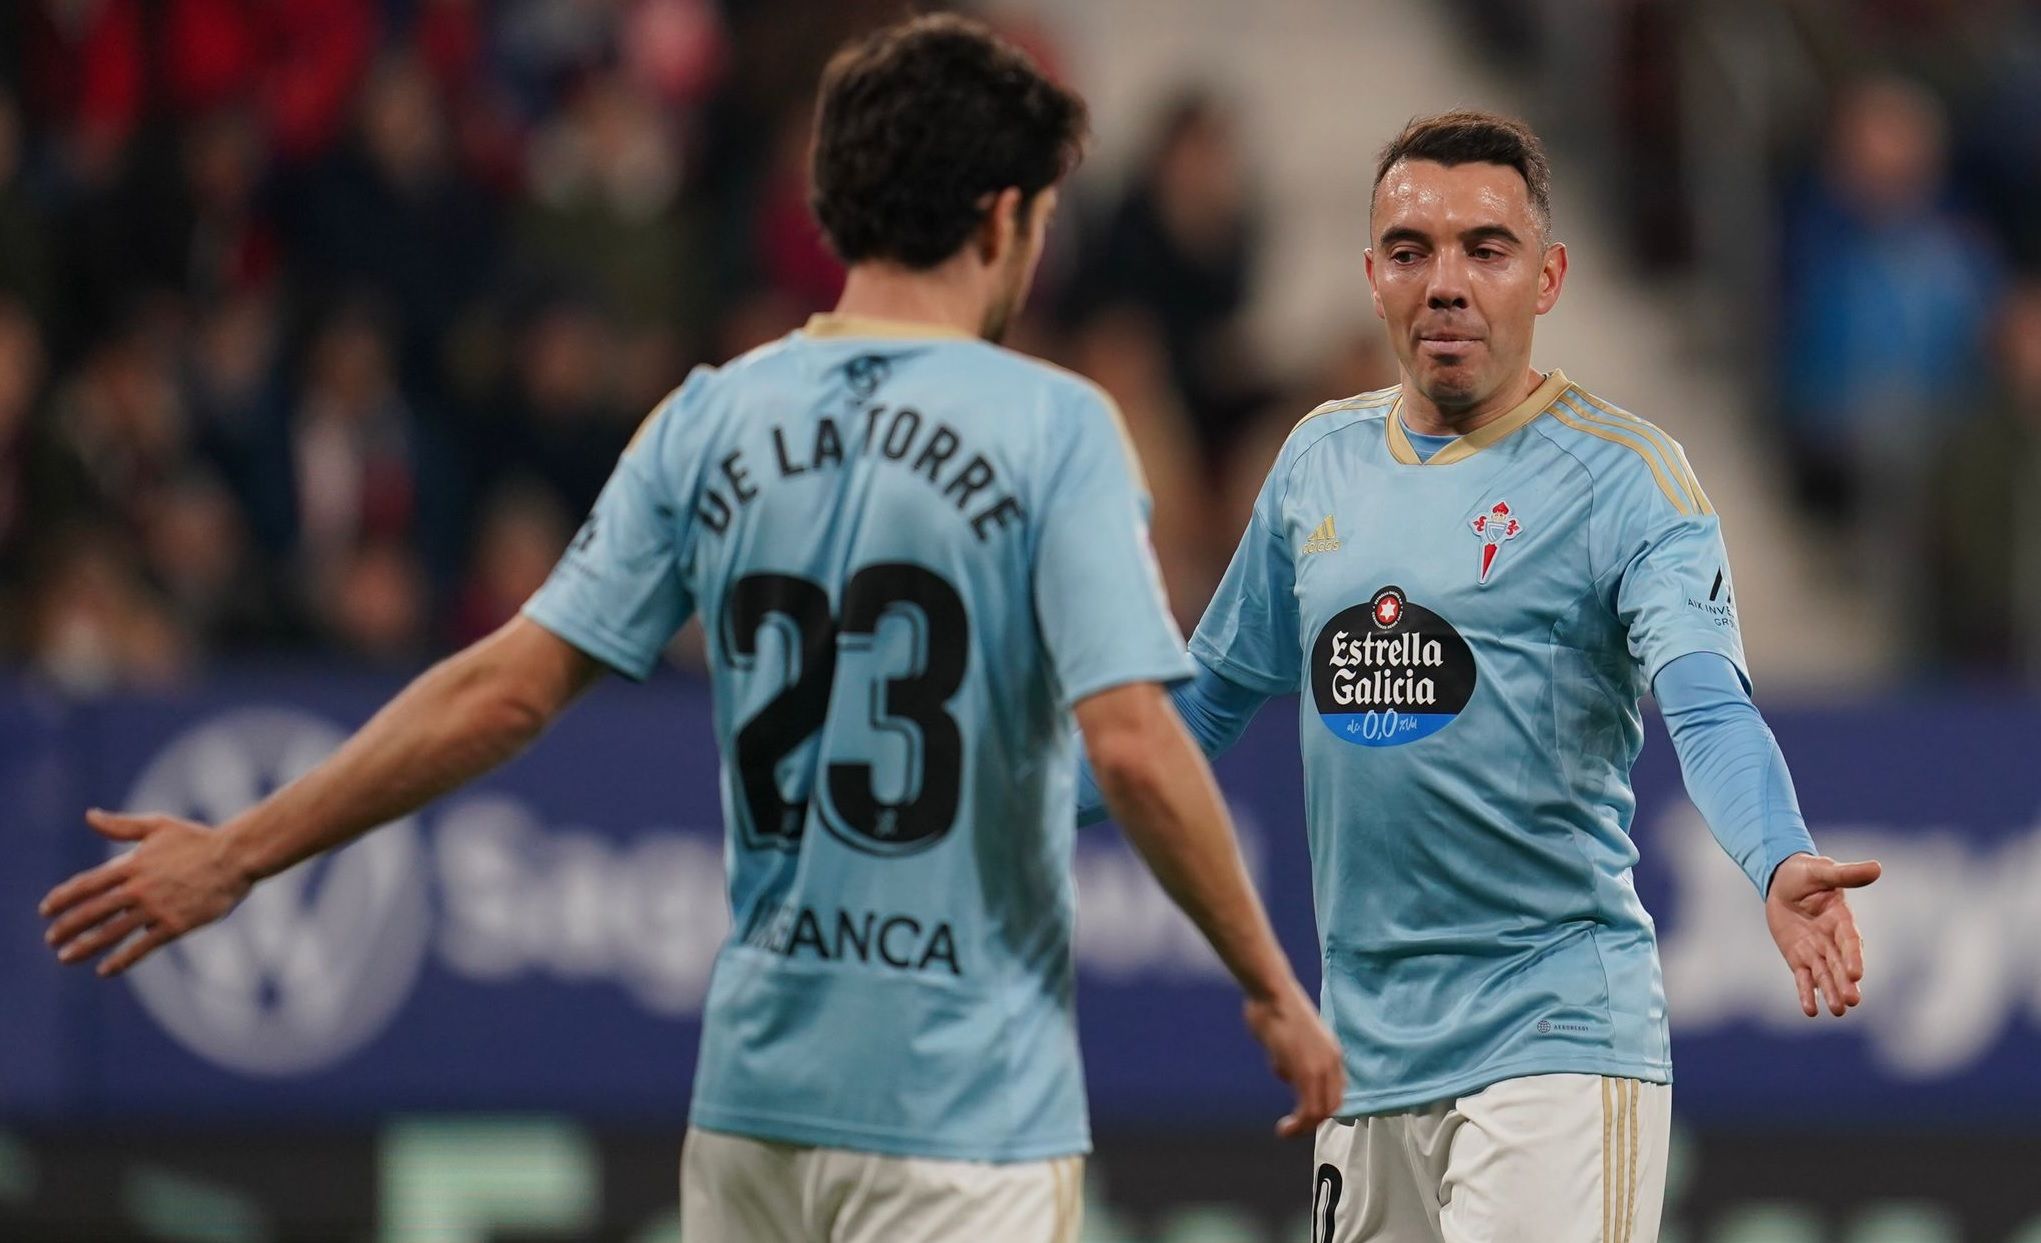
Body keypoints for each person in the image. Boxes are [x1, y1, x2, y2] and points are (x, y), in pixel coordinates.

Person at [36, 16, 1343, 1243]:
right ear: (1003, 217)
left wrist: (244, 850)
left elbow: (502, 688)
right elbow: (1128, 740)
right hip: (960, 1104)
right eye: (1042, 218)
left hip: (754, 1105)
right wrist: (1272, 985)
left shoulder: (712, 417)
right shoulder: (1052, 427)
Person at [1076, 110, 1881, 1242]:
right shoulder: (1318, 461)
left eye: (1484, 250)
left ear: (1546, 276)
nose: (1444, 282)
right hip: (1363, 1061)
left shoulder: (1628, 480)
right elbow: (1203, 700)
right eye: (1412, 250)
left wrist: (1776, 851)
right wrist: (1018, 804)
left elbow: (1704, 700)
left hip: (1551, 1041)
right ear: (1371, 276)